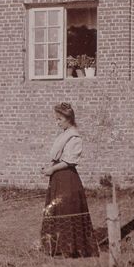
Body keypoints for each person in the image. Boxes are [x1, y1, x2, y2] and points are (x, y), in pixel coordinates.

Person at [39, 102, 98, 257]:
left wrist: (52, 169)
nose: (57, 123)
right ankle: (57, 247)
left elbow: (69, 161)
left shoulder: (74, 137)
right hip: (58, 177)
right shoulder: (64, 134)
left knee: (66, 210)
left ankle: (70, 248)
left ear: (68, 118)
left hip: (67, 178)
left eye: (59, 119)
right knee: (57, 210)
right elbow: (58, 157)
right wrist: (49, 167)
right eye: (56, 119)